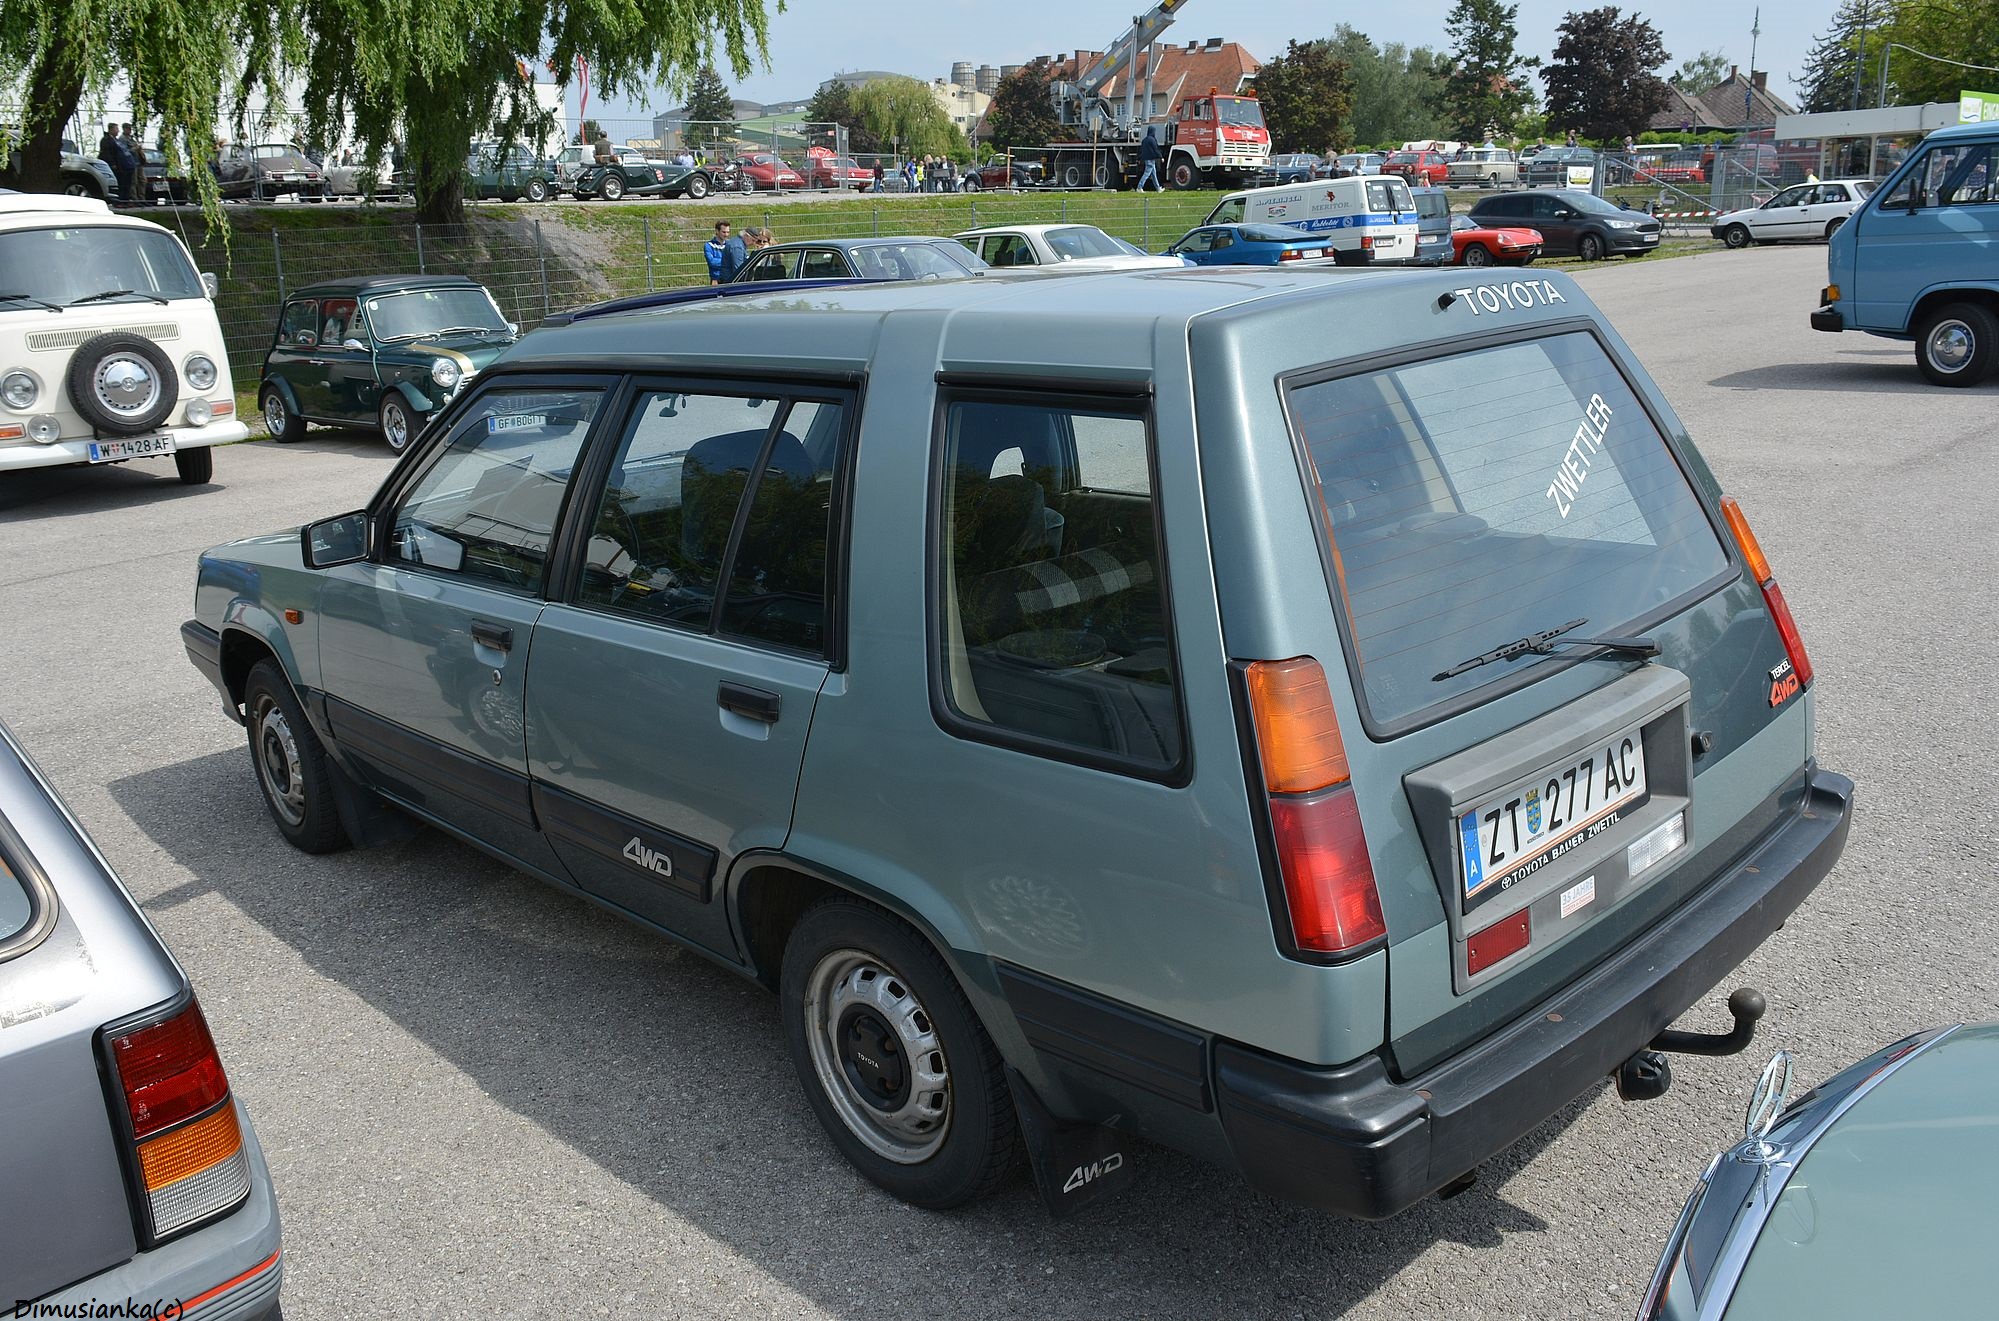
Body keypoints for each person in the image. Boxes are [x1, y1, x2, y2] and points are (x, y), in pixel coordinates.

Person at [1136, 125, 1163, 192]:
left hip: (1146, 159)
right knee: (1146, 174)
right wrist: (1160, 157)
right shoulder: (1152, 140)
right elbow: (1156, 149)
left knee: (1154, 175)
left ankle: (1158, 188)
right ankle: (1139, 187)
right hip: (1151, 159)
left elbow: (1141, 151)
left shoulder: (1144, 140)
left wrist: (1138, 158)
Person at [705, 220, 732, 285]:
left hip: (729, 279)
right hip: (716, 280)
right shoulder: (709, 245)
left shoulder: (730, 244)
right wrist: (728, 262)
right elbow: (712, 262)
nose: (726, 235)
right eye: (724, 232)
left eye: (728, 232)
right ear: (717, 231)